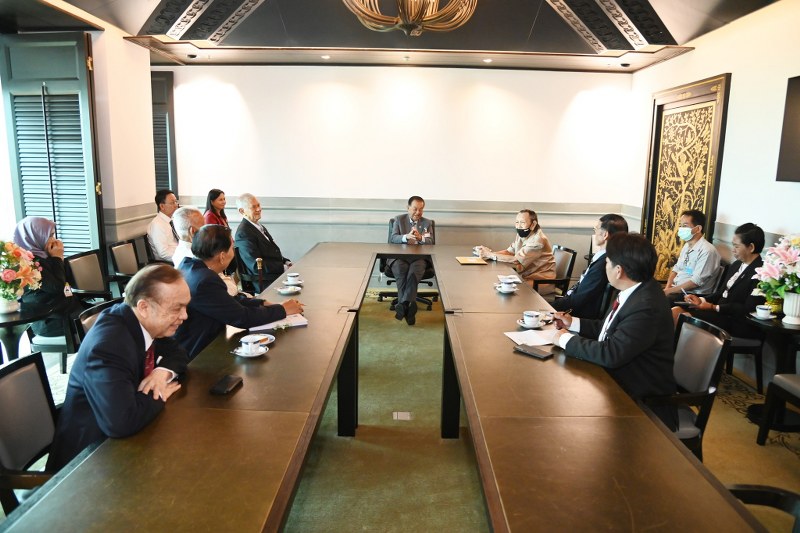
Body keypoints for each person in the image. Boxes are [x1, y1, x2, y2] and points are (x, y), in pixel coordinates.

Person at [46, 264, 190, 471]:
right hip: (87, 462)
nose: (184, 316)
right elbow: (121, 422)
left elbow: (178, 353)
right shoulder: (109, 346)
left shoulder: (142, 322)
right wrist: (159, 394)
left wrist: (161, 373)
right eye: (177, 308)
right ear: (144, 307)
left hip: (127, 441)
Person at [552, 233, 677, 430]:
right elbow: (607, 330)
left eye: (607, 262)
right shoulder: (634, 290)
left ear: (618, 271)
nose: (605, 267)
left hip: (639, 400)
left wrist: (565, 340)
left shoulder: (646, 306)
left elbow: (611, 353)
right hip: (615, 381)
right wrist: (572, 323)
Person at [174, 225, 303, 359]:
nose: (234, 252)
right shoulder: (205, 280)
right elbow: (241, 318)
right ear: (222, 256)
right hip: (198, 354)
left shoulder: (188, 266)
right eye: (232, 248)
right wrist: (282, 310)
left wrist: (262, 302)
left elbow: (226, 301)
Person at [672, 223, 766, 338]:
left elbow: (747, 308)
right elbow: (720, 293)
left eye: (736, 246)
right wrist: (700, 299)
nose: (733, 250)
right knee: (675, 311)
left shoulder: (761, 273)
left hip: (735, 320)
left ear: (751, 247)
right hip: (719, 312)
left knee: (683, 318)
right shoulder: (736, 265)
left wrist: (714, 307)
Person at [13, 217, 82, 337]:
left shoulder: (45, 256)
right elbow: (57, 287)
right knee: (105, 323)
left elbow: (68, 281)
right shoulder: (29, 264)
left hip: (68, 310)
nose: (54, 240)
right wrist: (57, 258)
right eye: (50, 235)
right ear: (35, 237)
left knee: (108, 316)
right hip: (51, 320)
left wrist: (59, 259)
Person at [552, 214, 628, 319]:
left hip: (579, 317)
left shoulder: (603, 264)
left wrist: (547, 307)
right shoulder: (605, 258)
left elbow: (578, 299)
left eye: (596, 229)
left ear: (605, 235)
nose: (594, 232)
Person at [476, 209, 556, 288]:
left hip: (540, 282)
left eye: (522, 222)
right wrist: (489, 253)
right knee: (499, 284)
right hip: (526, 277)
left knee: (506, 288)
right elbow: (509, 251)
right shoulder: (522, 235)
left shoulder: (538, 240)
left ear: (533, 224)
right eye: (517, 222)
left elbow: (516, 260)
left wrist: (490, 255)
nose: (519, 226)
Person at [387, 195, 435, 325]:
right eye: (415, 209)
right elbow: (393, 238)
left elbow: (430, 242)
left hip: (418, 258)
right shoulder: (398, 219)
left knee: (414, 273)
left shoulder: (427, 223)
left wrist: (420, 238)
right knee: (401, 272)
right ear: (408, 208)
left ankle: (403, 305)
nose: (418, 212)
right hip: (399, 257)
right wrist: (406, 237)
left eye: (421, 209)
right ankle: (410, 307)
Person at [234, 193, 292, 293]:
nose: (259, 209)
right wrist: (284, 268)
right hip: (264, 282)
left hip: (274, 275)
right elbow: (255, 266)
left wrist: (287, 262)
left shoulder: (257, 226)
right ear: (242, 211)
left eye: (258, 205)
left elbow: (271, 252)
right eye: (253, 207)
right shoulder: (243, 233)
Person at [664, 209, 721, 302]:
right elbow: (676, 269)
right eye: (680, 225)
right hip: (676, 290)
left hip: (692, 295)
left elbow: (695, 282)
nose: (681, 229)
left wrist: (669, 291)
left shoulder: (707, 251)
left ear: (698, 229)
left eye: (685, 226)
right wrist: (667, 288)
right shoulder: (687, 245)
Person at [147, 189, 180, 262]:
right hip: (168, 263)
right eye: (172, 203)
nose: (176, 205)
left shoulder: (173, 220)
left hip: (180, 255)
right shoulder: (157, 225)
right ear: (162, 206)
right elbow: (163, 253)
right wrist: (183, 258)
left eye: (176, 201)